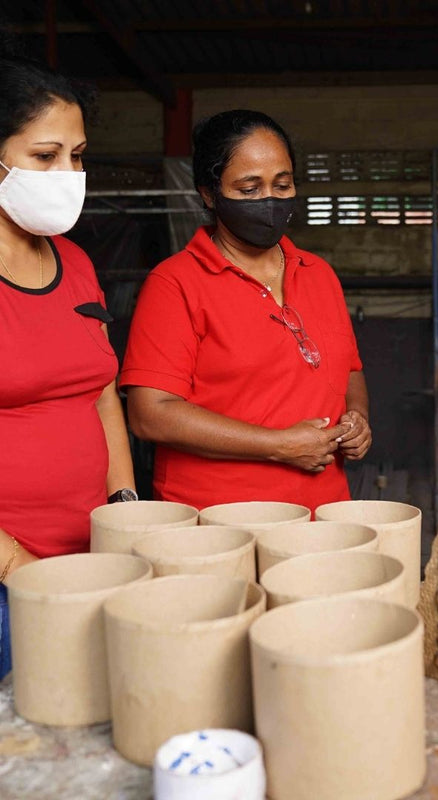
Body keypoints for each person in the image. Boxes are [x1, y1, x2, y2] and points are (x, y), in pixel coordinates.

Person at [120, 110, 371, 514]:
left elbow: (350, 371)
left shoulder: (319, 274)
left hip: (323, 513)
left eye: (282, 184)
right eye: (249, 188)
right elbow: (151, 414)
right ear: (208, 193)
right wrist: (278, 446)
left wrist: (357, 418)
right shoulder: (176, 284)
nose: (269, 200)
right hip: (221, 519)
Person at [0, 56, 137, 677]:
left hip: (91, 559)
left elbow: (102, 395)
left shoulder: (77, 262)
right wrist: (17, 569)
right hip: (12, 581)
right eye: (45, 156)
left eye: (78, 157)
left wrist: (124, 506)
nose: (68, 174)